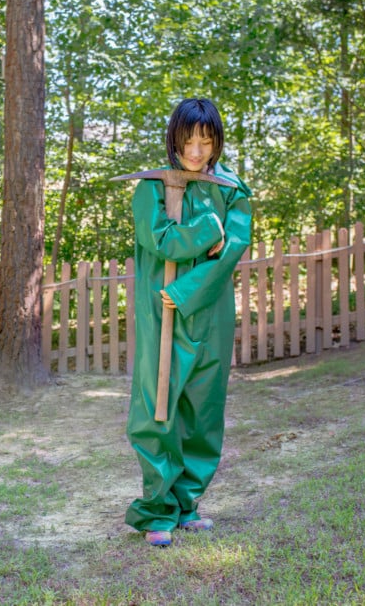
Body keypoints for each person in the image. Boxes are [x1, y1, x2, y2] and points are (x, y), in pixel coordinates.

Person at [125, 98, 252, 547]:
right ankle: (157, 511)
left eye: (206, 140)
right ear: (174, 139)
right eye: (188, 140)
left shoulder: (232, 188)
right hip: (162, 312)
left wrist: (187, 288)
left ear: (217, 140)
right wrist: (206, 231)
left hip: (210, 308)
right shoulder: (153, 188)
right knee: (158, 407)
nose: (197, 150)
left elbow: (232, 249)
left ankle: (188, 504)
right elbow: (160, 241)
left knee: (203, 409)